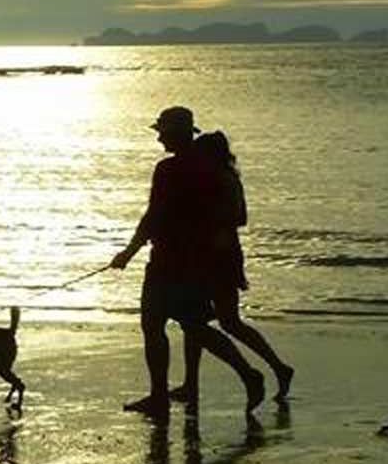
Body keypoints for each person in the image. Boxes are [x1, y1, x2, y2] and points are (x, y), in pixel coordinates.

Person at [110, 107, 264, 416]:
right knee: (194, 326)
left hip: (168, 260)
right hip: (198, 261)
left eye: (162, 133)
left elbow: (153, 216)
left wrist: (129, 252)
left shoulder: (167, 170)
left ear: (174, 134)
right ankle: (248, 374)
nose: (159, 139)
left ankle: (159, 397)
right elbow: (227, 217)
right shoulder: (211, 169)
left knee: (153, 325)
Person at [168, 131, 294, 404]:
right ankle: (192, 383)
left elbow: (233, 219)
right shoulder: (224, 178)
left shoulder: (222, 180)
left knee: (223, 322)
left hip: (217, 258)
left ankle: (277, 367)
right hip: (216, 256)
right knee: (201, 320)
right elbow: (237, 218)